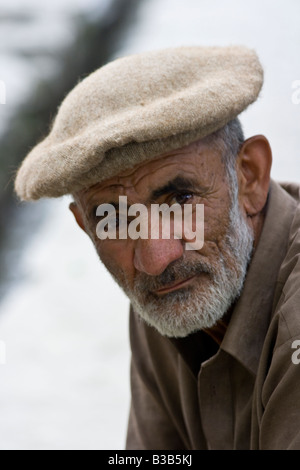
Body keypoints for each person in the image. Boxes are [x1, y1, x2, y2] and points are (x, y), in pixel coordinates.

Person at [14, 46, 300, 450]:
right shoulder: (169, 295)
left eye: (181, 199)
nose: (155, 258)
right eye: (114, 220)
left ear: (249, 176)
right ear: (86, 227)